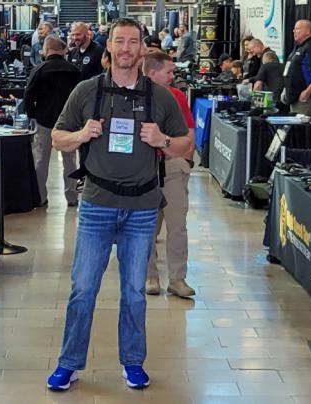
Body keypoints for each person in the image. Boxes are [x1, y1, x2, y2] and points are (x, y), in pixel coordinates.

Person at [47, 18, 190, 391]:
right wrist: (81, 134)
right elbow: (58, 138)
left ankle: (133, 362)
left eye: (133, 42)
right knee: (83, 289)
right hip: (96, 205)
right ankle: (70, 363)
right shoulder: (87, 91)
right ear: (108, 46)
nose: (126, 48)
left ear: (143, 48)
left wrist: (162, 140)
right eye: (119, 41)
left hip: (143, 208)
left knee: (134, 292)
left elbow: (187, 146)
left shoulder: (160, 97)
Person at [142, 50, 196, 298]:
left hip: (173, 167)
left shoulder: (176, 97)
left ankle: (177, 278)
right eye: (169, 72)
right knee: (146, 228)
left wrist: (186, 159)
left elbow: (189, 131)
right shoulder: (136, 96)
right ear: (152, 73)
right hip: (144, 172)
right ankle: (150, 276)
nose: (173, 76)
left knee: (177, 226)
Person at [24, 35, 81, 207]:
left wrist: (33, 115)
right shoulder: (74, 70)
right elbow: (81, 97)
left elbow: (28, 96)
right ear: (62, 50)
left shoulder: (39, 70)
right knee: (70, 161)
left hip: (44, 121)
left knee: (41, 160)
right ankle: (71, 197)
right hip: (68, 124)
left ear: (47, 50)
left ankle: (40, 197)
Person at [283, 20, 311, 118]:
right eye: (294, 29)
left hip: (305, 101)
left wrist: (308, 92)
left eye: (298, 29)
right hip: (294, 99)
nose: (294, 31)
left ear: (308, 31)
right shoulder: (298, 48)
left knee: (303, 132)